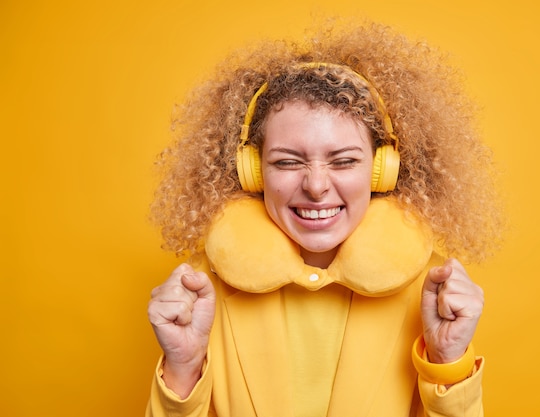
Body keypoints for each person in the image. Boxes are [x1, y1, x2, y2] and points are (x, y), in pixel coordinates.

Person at [146, 18, 503, 417]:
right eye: (287, 161)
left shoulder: (432, 294)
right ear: (253, 171)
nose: (316, 186)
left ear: (382, 170)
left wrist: (447, 361)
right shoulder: (201, 293)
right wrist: (182, 369)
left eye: (344, 160)